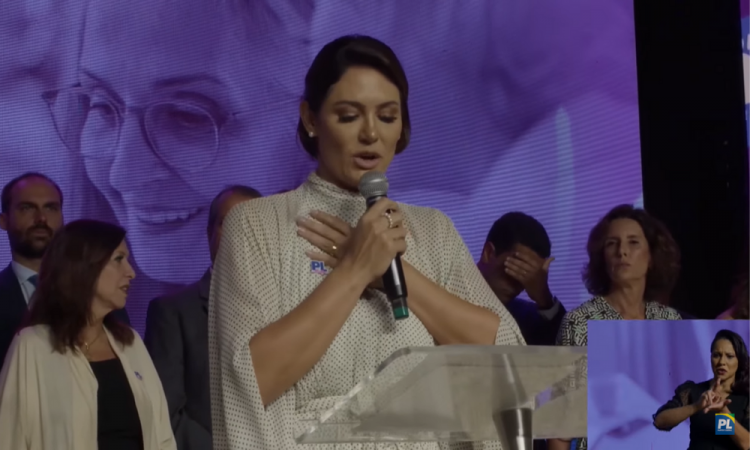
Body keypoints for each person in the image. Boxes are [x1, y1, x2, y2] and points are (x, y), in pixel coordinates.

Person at [208, 35, 525, 450]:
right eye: (348, 116)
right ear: (310, 118)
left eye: (388, 116)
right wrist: (355, 269)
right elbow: (246, 382)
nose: (371, 134)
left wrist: (392, 271)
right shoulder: (257, 225)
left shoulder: (434, 231)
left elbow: (506, 359)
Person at [0, 219, 175, 450]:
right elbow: (10, 438)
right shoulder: (32, 346)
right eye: (119, 259)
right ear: (84, 267)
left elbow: (162, 436)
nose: (131, 272)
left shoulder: (130, 343)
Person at [548, 204, 682, 450]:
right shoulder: (580, 322)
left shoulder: (669, 321)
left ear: (651, 257)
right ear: (603, 258)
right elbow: (560, 421)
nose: (622, 252)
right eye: (612, 244)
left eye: (633, 242)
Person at [145, 185, 261, 450]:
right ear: (210, 233)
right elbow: (167, 413)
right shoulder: (172, 313)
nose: (237, 233)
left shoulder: (290, 309)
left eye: (249, 224)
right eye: (226, 223)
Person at [0, 172, 130, 366]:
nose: (41, 218)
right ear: (4, 220)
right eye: (27, 208)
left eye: (51, 208)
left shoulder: (99, 295)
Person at [476, 212, 565, 345]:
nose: (519, 282)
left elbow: (568, 347)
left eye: (530, 275)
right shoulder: (447, 291)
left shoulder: (528, 319)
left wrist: (544, 299)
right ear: (488, 253)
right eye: (516, 268)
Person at [653, 329, 750, 449]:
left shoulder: (745, 398)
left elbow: (747, 444)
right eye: (716, 355)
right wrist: (696, 406)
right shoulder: (694, 390)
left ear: (739, 361)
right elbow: (660, 421)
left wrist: (723, 413)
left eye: (729, 356)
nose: (721, 362)